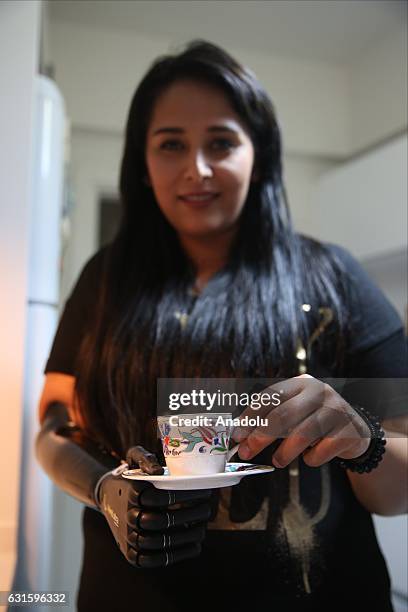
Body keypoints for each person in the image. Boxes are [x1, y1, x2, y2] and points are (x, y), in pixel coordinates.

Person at [36, 40, 407, 611]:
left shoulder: (334, 277)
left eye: (221, 142)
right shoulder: (105, 281)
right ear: (142, 159)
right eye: (171, 145)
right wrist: (104, 489)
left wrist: (363, 438)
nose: (197, 169)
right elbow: (53, 427)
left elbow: (398, 489)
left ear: (259, 152)